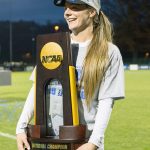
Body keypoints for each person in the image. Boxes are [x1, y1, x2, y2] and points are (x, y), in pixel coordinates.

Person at [16, 0, 125, 150]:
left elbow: (106, 102)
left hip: (83, 142)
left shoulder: (108, 52)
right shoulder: (53, 46)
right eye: (66, 8)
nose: (67, 12)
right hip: (50, 140)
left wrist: (93, 143)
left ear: (92, 11)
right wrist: (20, 128)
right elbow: (37, 90)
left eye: (74, 7)